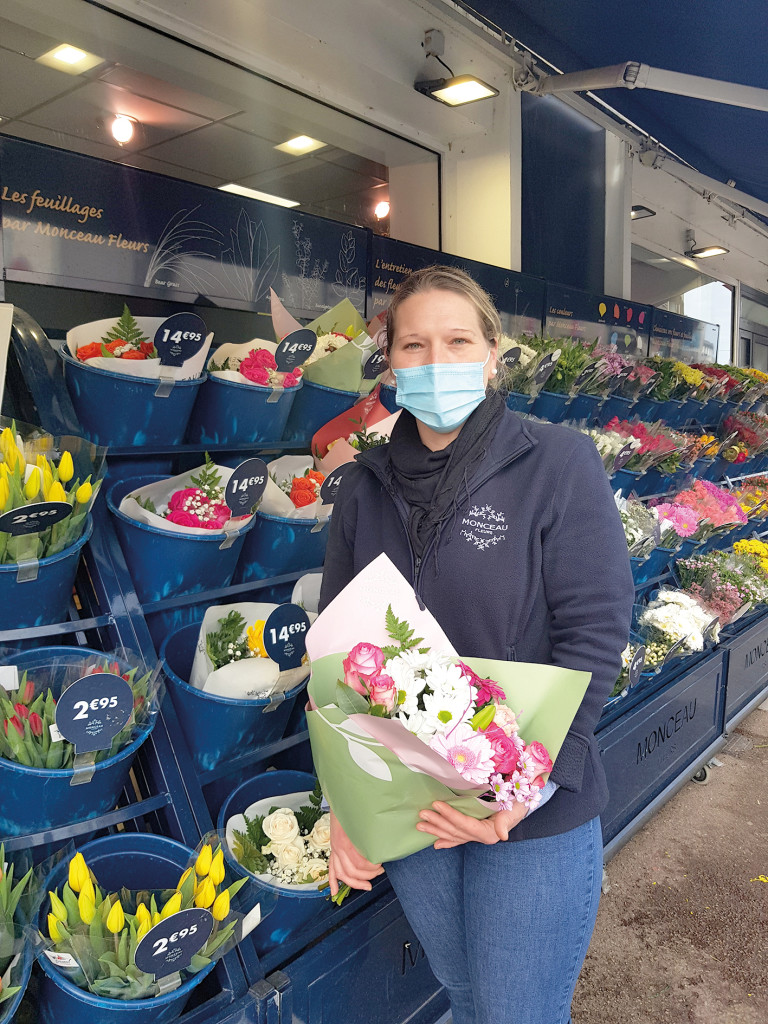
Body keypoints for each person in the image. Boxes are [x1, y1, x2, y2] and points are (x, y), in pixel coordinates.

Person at [318, 265, 634, 1024]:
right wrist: (345, 802)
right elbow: (336, 645)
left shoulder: (556, 463)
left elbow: (595, 629)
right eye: (414, 345)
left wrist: (524, 788)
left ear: (493, 355)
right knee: (464, 998)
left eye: (458, 341)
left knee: (516, 1012)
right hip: (411, 804)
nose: (437, 361)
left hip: (530, 811)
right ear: (390, 365)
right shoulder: (362, 487)